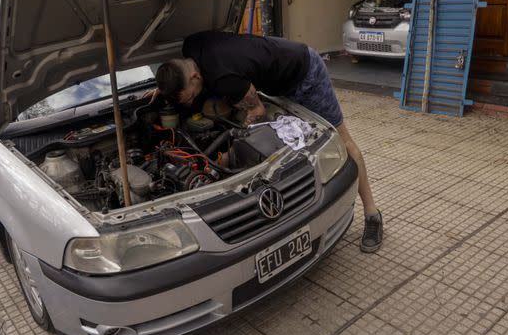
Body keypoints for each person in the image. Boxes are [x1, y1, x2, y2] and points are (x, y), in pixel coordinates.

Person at [155, 31, 383, 253]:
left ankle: (372, 215)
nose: (192, 102)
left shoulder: (224, 79)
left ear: (195, 77)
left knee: (343, 140)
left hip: (306, 73)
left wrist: (242, 131)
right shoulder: (191, 46)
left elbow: (259, 110)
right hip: (279, 70)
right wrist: (165, 91)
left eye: (192, 96)